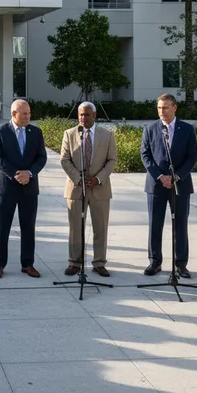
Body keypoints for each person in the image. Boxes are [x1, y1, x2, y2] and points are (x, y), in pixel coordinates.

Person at [140, 93, 197, 278]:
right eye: (159, 108)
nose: (161, 111)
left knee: (180, 225)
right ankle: (154, 262)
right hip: (156, 185)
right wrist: (160, 177)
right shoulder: (150, 129)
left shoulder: (187, 129)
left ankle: (181, 264)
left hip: (180, 185)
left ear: (174, 108)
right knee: (154, 225)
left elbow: (192, 157)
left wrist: (176, 176)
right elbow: (146, 155)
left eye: (165, 107)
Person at [0, 99, 48, 279]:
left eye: (29, 113)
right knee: (2, 227)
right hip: (6, 187)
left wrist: (29, 173)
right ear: (14, 114)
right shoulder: (0, 131)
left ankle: (28, 264)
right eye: (25, 114)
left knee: (28, 227)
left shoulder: (36, 132)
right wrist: (16, 174)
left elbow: (41, 157)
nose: (28, 116)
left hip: (29, 188)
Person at [60, 102, 117, 277]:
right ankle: (74, 263)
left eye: (86, 115)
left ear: (94, 115)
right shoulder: (69, 134)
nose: (83, 118)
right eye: (80, 115)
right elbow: (64, 159)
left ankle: (99, 262)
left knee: (100, 228)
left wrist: (98, 178)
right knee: (75, 228)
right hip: (77, 189)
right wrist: (79, 179)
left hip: (99, 189)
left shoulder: (106, 135)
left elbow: (112, 160)